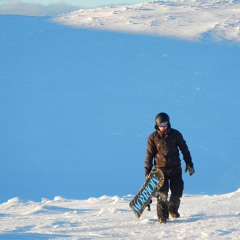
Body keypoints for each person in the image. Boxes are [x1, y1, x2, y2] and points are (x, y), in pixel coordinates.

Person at [144, 112, 195, 224]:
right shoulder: (152, 138)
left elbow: (184, 149)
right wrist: (147, 171)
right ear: (156, 125)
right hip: (161, 170)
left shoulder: (176, 134)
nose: (163, 127)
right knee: (162, 194)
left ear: (168, 123)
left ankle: (172, 210)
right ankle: (162, 217)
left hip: (176, 168)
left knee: (177, 192)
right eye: (160, 125)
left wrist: (189, 163)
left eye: (165, 124)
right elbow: (149, 155)